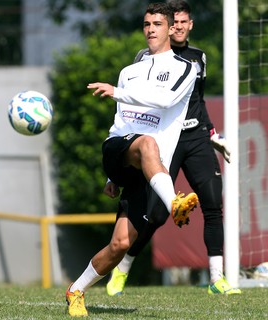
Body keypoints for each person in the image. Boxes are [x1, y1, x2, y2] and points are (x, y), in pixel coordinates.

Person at [65, 3, 199, 317]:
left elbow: (166, 100)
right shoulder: (129, 71)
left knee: (121, 244)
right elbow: (122, 122)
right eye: (146, 24)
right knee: (146, 143)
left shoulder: (185, 69)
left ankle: (75, 290)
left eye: (157, 24)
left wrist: (118, 92)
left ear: (170, 29)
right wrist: (113, 175)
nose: (150, 29)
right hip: (120, 149)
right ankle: (174, 203)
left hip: (149, 169)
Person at [105, 0, 241, 297]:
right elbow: (133, 111)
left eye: (182, 22)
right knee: (155, 214)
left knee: (212, 204)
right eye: (173, 22)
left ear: (190, 24)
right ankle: (124, 266)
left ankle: (217, 278)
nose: (177, 26)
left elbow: (198, 102)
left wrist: (213, 133)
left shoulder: (198, 59)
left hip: (195, 138)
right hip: (166, 139)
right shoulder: (145, 58)